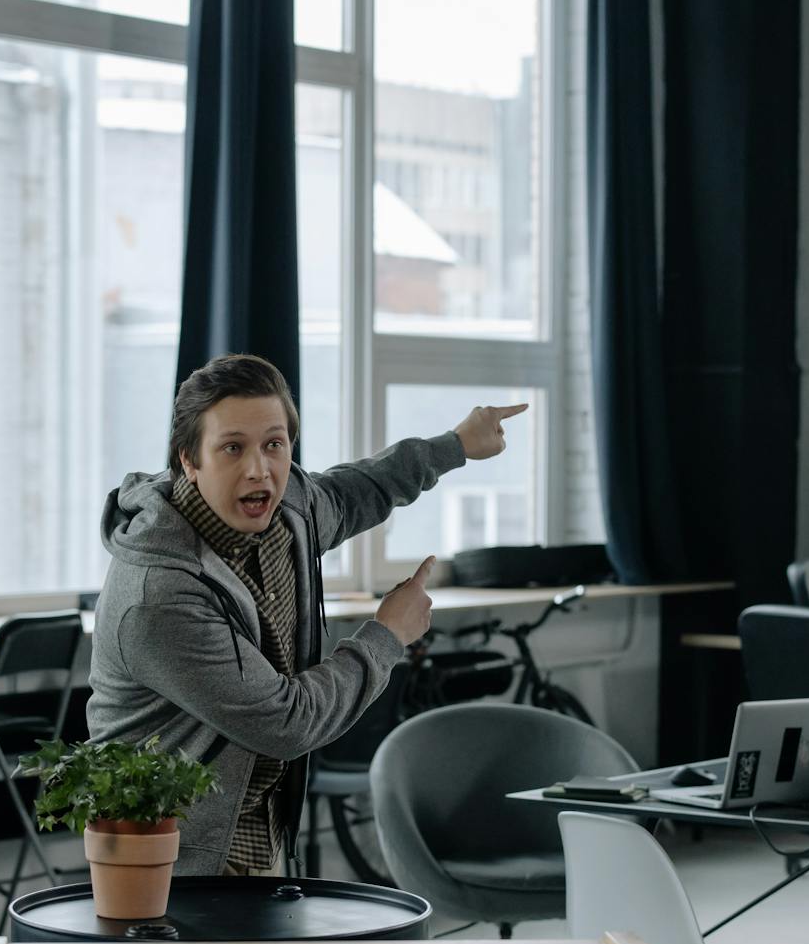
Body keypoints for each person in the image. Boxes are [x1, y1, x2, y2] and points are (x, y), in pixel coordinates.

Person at [88, 352, 526, 877]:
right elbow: (286, 722)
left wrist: (456, 445)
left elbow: (358, 490)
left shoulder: (286, 507)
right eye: (232, 448)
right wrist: (388, 634)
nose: (259, 468)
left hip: (258, 835)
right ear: (188, 459)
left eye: (274, 444)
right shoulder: (157, 594)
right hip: (172, 862)